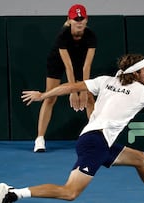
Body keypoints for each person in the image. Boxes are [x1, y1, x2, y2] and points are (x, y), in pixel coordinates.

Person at [0, 54, 144, 203]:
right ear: (136, 73)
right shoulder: (143, 91)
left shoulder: (106, 80)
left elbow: (69, 86)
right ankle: (14, 193)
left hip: (94, 138)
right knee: (70, 193)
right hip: (96, 142)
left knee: (140, 159)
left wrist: (43, 94)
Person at [34, 4, 97, 152]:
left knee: (89, 97)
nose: (79, 22)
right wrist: (73, 92)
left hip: (79, 63)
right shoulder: (62, 36)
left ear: (86, 20)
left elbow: (86, 66)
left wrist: (84, 91)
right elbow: (67, 67)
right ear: (69, 20)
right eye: (76, 19)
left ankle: (97, 137)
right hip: (58, 62)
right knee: (51, 97)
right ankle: (40, 139)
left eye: (82, 19)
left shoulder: (91, 36)